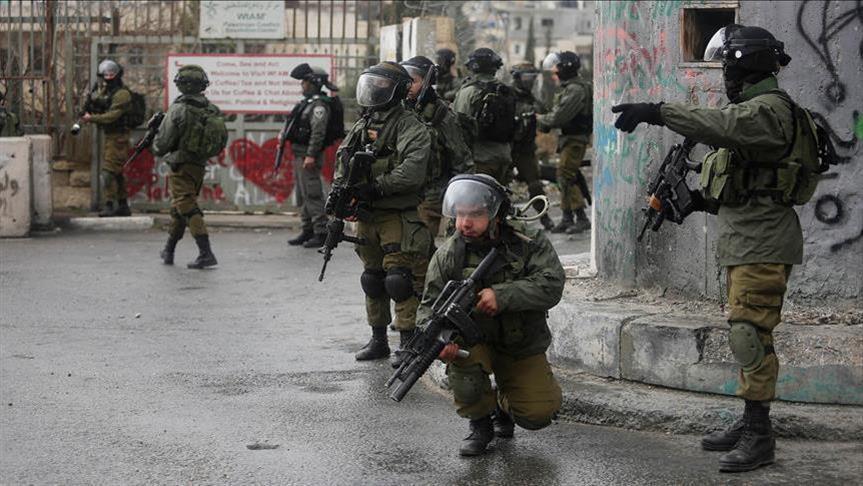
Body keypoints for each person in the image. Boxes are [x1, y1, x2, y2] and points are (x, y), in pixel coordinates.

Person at [611, 25, 812, 473]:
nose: (725, 77)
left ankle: (759, 434)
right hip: (747, 238)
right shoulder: (756, 110)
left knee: (749, 334)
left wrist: (657, 112)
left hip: (762, 241)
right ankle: (750, 421)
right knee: (747, 332)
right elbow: (748, 183)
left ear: (746, 66)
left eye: (727, 68)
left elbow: (719, 126)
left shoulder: (768, 110)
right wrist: (697, 201)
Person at [419, 174, 565, 456]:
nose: (465, 223)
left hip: (520, 342)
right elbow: (428, 308)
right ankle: (480, 424)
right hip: (473, 344)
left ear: (496, 214)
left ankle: (503, 405)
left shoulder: (527, 241)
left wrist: (503, 296)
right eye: (460, 214)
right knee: (466, 377)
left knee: (539, 414)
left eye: (475, 215)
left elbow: (552, 285)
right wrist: (438, 343)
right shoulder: (449, 255)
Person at [329, 62, 433, 361]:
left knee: (399, 279)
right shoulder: (365, 123)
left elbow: (412, 171)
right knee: (372, 278)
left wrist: (376, 187)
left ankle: (408, 341)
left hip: (396, 215)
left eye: (382, 84)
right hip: (367, 215)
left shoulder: (410, 125)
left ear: (397, 90)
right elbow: (343, 159)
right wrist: (339, 193)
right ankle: (378, 339)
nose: (374, 90)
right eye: (371, 83)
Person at [153, 65, 227, 270]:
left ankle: (206, 252)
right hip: (198, 165)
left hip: (180, 165)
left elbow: (163, 143)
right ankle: (169, 250)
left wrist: (154, 145)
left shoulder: (178, 109)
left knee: (186, 206)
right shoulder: (210, 109)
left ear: (183, 85)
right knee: (180, 207)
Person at [400, 55, 473, 238]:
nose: (408, 86)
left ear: (427, 82)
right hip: (402, 188)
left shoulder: (441, 114)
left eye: (413, 81)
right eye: (406, 81)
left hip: (430, 191)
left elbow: (460, 155)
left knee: (420, 243)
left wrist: (463, 195)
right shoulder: (401, 108)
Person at [286, 64, 342, 249]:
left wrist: (311, 155)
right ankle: (308, 229)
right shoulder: (308, 103)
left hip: (308, 155)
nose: (302, 85)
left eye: (305, 82)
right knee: (303, 195)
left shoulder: (319, 106)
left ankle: (321, 231)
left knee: (312, 193)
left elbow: (318, 133)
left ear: (313, 83)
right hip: (300, 154)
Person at [537, 51, 592, 234]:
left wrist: (539, 119)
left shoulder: (576, 90)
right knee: (564, 176)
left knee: (566, 175)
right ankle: (567, 217)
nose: (554, 74)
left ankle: (581, 217)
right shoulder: (571, 88)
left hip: (575, 139)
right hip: (569, 139)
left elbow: (559, 117)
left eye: (556, 70)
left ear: (565, 69)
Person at [452, 48, 514, 185]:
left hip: (480, 160)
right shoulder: (505, 90)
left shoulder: (469, 91)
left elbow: (457, 126)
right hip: (504, 157)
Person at [81, 59, 133, 217]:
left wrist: (91, 118)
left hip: (119, 138)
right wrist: (91, 104)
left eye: (110, 75)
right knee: (117, 172)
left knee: (108, 173)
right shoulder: (107, 91)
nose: (107, 78)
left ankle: (109, 205)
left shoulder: (122, 94)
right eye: (105, 75)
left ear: (117, 75)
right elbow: (100, 102)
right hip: (111, 137)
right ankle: (123, 205)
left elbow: (112, 116)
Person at [509, 62, 554, 230]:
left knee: (534, 184)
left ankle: (544, 217)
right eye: (526, 77)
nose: (530, 81)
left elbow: (544, 113)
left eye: (532, 78)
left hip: (525, 149)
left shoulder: (529, 97)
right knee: (500, 185)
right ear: (517, 77)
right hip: (507, 147)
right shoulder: (508, 94)